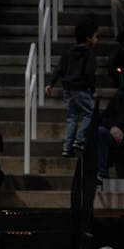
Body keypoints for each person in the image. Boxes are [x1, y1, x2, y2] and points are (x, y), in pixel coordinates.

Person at [45, 20, 98, 158]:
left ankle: (66, 148)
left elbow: (59, 68)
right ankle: (79, 140)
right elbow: (89, 73)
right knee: (90, 113)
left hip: (67, 89)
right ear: (88, 38)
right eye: (95, 36)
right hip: (81, 88)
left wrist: (51, 83)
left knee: (71, 117)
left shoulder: (68, 51)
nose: (96, 39)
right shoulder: (89, 53)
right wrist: (93, 89)